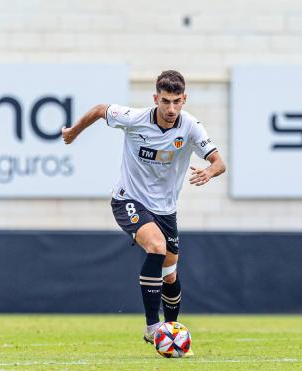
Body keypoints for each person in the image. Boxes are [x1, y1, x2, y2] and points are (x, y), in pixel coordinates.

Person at [61, 70, 226, 344]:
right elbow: (101, 110)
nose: (171, 108)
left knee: (170, 275)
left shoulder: (191, 127)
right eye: (165, 101)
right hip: (129, 199)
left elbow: (220, 162)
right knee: (157, 247)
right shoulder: (135, 119)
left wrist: (210, 171)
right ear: (155, 99)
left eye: (176, 101)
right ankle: (152, 327)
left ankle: (171, 332)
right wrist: (74, 132)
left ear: (184, 99)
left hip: (165, 210)